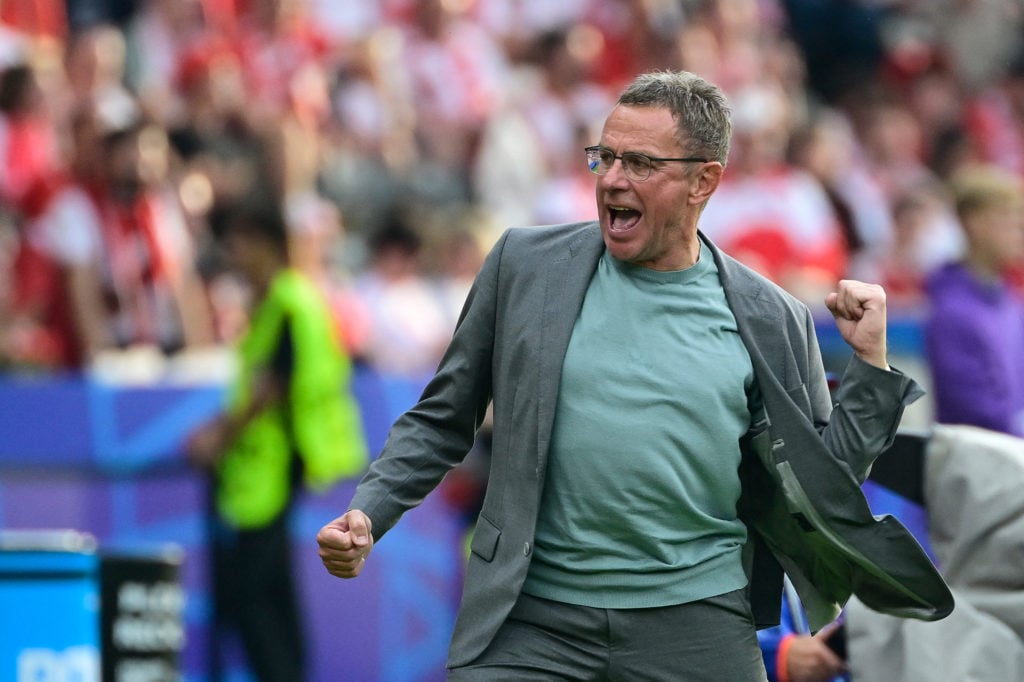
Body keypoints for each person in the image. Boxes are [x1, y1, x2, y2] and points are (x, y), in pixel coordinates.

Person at [317, 70, 953, 680]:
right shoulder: (523, 266)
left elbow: (825, 482)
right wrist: (370, 512)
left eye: (641, 164)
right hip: (530, 624)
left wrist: (869, 363)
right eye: (606, 156)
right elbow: (442, 418)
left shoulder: (772, 316)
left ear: (704, 181)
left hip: (697, 625)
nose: (613, 180)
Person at [187, 202, 367, 681]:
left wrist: (219, 436)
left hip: (276, 462)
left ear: (266, 244)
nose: (233, 254)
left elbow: (275, 384)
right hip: (268, 463)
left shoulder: (288, 301)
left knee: (253, 593)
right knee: (271, 591)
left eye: (240, 242)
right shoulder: (280, 300)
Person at [923, 164, 1024, 438]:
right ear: (975, 223)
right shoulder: (952, 312)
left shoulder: (1011, 303)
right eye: (1007, 219)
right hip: (975, 468)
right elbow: (977, 412)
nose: (1019, 231)